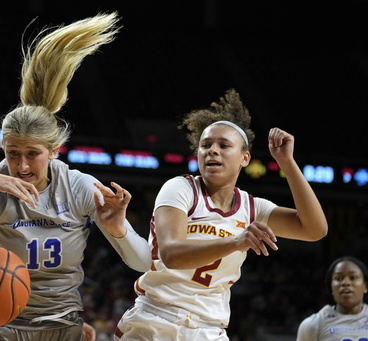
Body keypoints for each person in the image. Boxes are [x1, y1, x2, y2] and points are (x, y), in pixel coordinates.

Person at [0, 12, 151, 341]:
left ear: (55, 150)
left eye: (33, 154)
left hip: (61, 325)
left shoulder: (78, 186)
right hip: (2, 323)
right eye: (12, 153)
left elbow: (143, 262)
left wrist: (118, 230)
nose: (22, 166)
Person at [114, 89, 328, 340]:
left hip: (209, 327)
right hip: (157, 318)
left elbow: (315, 229)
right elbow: (171, 254)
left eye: (224, 145)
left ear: (244, 158)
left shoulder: (252, 208)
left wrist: (287, 164)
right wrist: (236, 241)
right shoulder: (181, 188)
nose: (212, 151)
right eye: (205, 145)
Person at [296, 256, 368, 340]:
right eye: (339, 278)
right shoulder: (313, 324)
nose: (346, 283)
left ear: (365, 286)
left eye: (353, 277)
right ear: (331, 288)